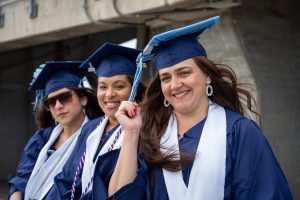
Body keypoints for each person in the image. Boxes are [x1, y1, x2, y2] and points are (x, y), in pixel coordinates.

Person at [110, 16, 294, 199]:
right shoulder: (154, 135)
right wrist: (131, 133)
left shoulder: (239, 132)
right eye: (166, 78)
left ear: (207, 76)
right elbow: (121, 195)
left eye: (184, 73)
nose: (174, 85)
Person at [45, 42, 145, 199]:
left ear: (135, 89)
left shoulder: (143, 128)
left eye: (119, 86)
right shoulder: (90, 129)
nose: (109, 95)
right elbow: (66, 179)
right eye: (103, 87)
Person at [8, 61, 102, 200]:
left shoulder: (97, 136)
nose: (58, 106)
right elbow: (22, 179)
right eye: (51, 102)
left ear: (83, 99)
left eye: (65, 97)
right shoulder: (41, 139)